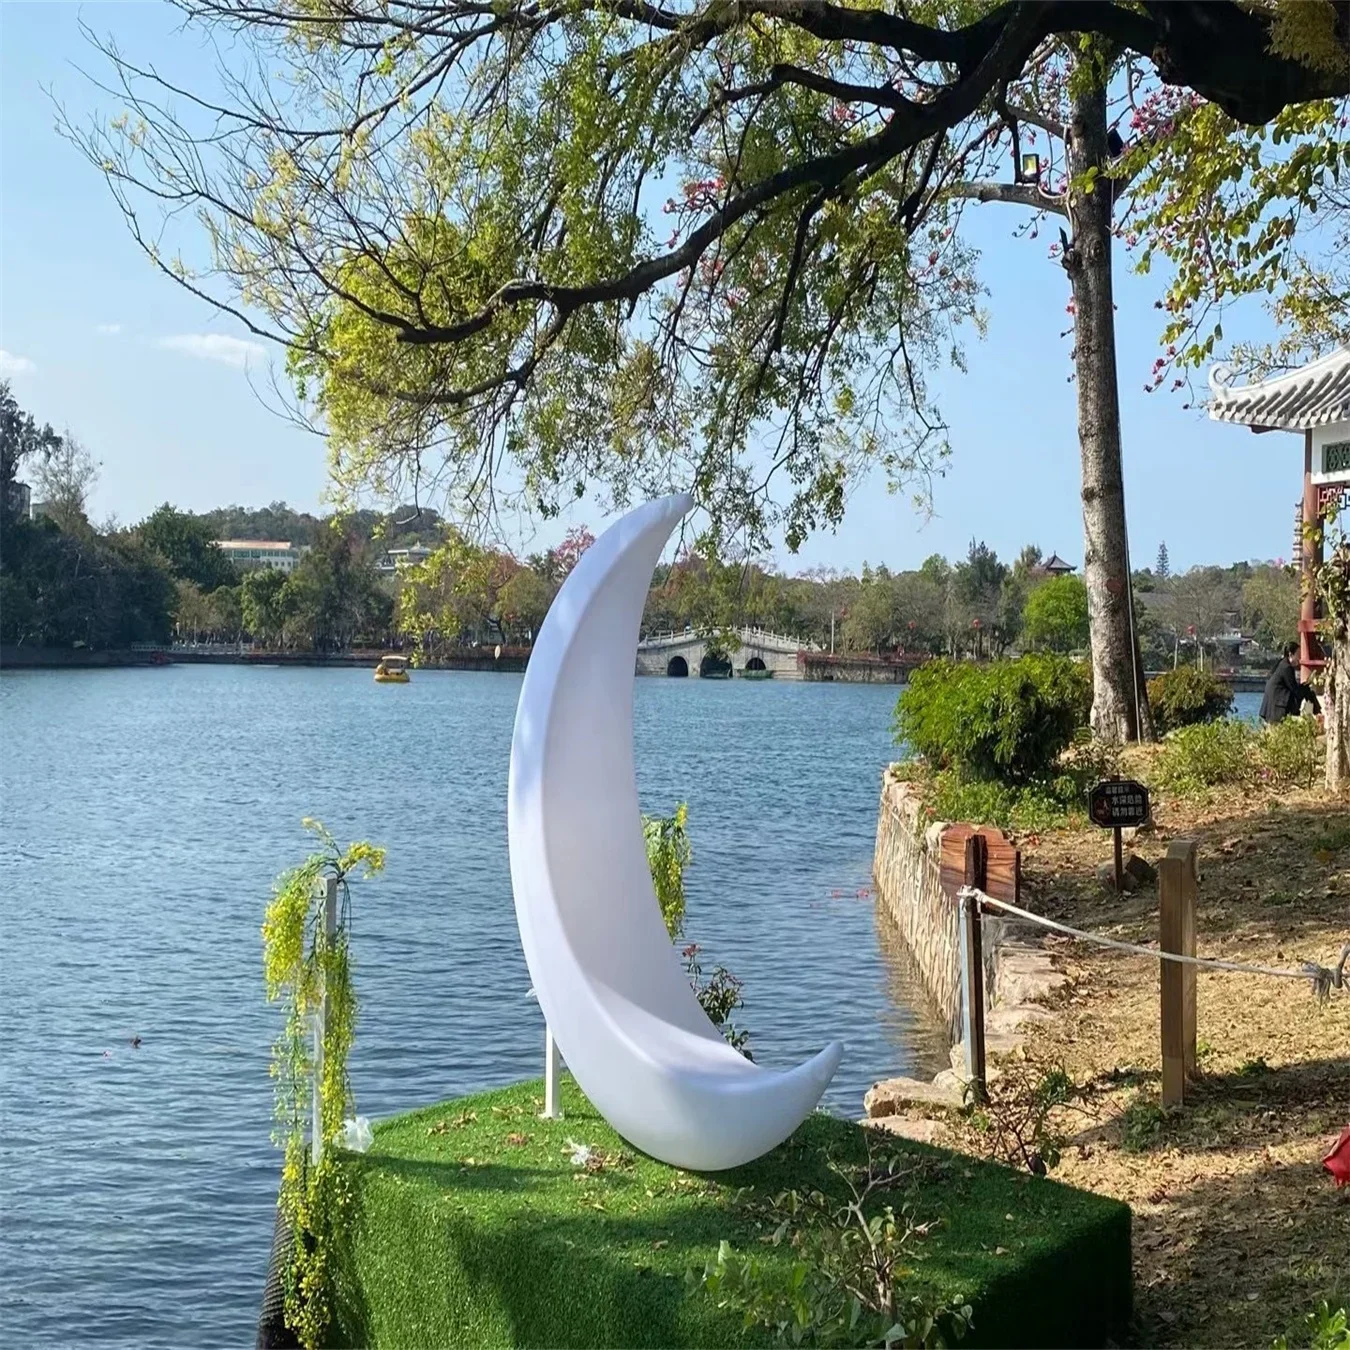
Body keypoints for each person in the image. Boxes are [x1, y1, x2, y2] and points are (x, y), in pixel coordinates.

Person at [1259, 642, 1322, 725]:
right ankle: (1317, 715)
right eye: (1298, 654)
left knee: (1308, 691)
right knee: (1308, 692)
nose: (1299, 658)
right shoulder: (1286, 668)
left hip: (1273, 703)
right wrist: (1306, 686)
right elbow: (1295, 690)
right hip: (1277, 704)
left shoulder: (1282, 664)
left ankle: (1316, 714)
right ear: (1290, 654)